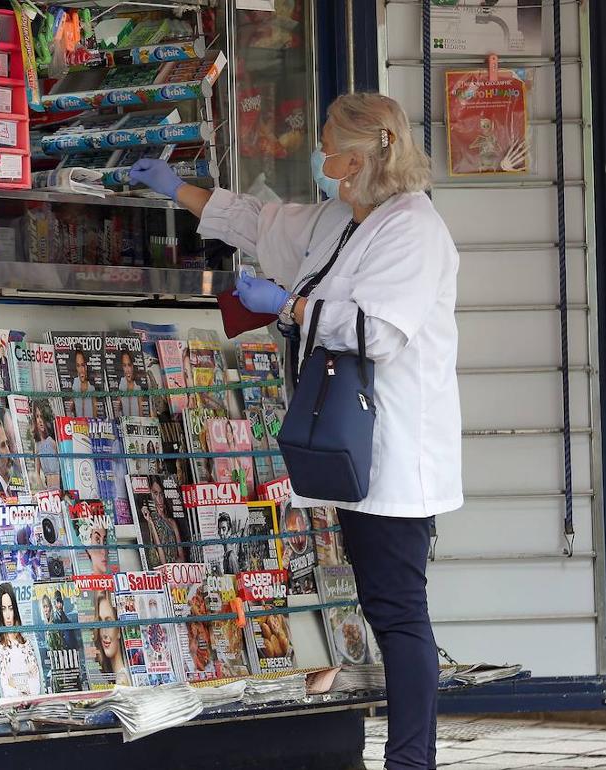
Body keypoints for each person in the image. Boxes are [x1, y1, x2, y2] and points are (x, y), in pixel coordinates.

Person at [131, 92, 462, 770]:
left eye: (325, 147)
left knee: (399, 613)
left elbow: (378, 330)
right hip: (349, 444)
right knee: (383, 602)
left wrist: (290, 305)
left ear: (354, 159)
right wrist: (180, 189)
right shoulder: (345, 215)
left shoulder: (413, 231)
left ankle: (412, 759)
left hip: (397, 454)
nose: (317, 157)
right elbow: (264, 225)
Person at [0, 583, 41, 698]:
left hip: (31, 705)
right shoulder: (0, 647)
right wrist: (19, 691)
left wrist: (20, 688)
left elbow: (36, 685)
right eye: (4, 609)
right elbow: (5, 687)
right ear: (0, 613)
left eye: (10, 608)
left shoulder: (26, 644)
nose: (8, 615)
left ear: (15, 609)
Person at [92, 590, 130, 686]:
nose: (104, 633)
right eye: (100, 622)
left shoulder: (124, 680)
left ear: (119, 630)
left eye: (109, 623)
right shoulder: (109, 675)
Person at [116, 350, 145, 418]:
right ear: (122, 368)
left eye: (129, 365)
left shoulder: (138, 388)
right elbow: (118, 411)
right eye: (124, 365)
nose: (127, 369)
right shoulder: (121, 385)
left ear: (132, 366)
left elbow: (141, 413)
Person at [72, 350, 97, 418]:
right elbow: (71, 408)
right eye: (78, 366)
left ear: (86, 367)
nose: (81, 370)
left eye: (82, 365)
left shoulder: (91, 387)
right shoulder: (74, 384)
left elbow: (95, 408)